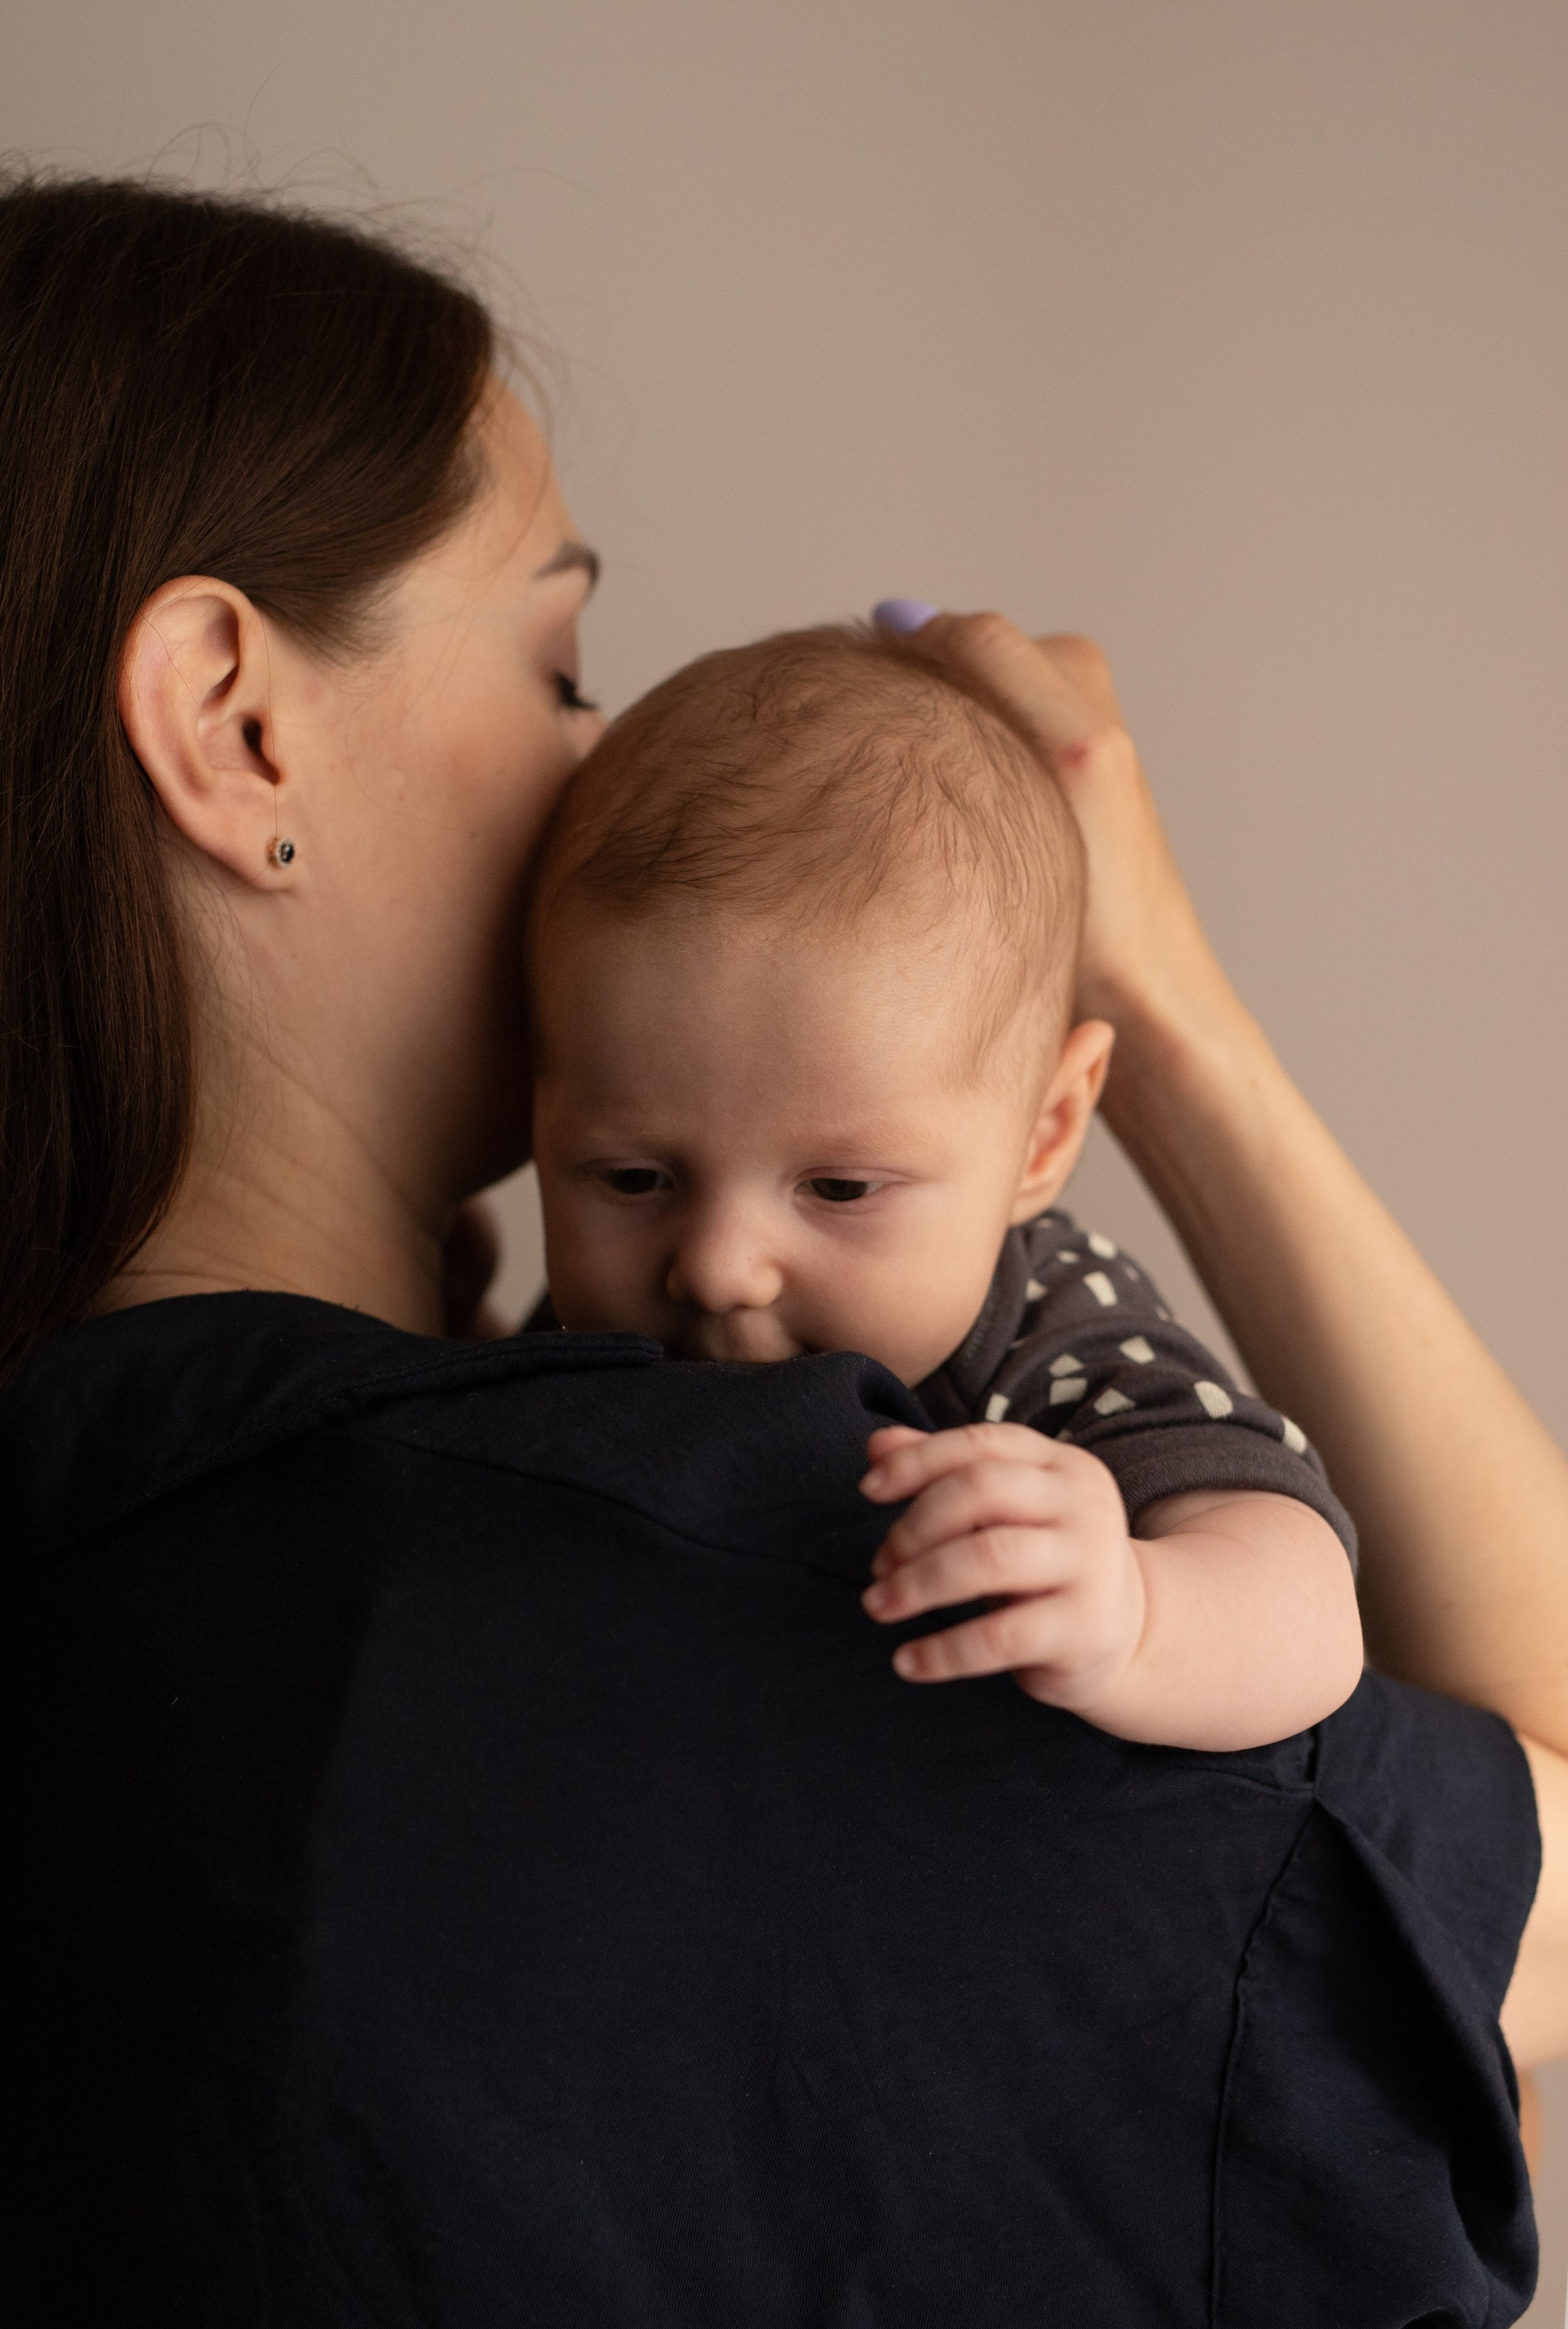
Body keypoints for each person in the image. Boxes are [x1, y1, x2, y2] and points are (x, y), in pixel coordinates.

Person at [0, 173, 1568, 2329]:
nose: (610, 764)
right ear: (236, 724)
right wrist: (1150, 998)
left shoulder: (6, 1563)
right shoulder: (706, 1582)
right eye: (562, 664)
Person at [526, 618, 1364, 1753]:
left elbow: (1310, 1610)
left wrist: (1136, 1609)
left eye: (838, 1189)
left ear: (1043, 1134)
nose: (718, 1266)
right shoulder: (585, 1347)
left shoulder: (1054, 1342)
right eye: (632, 1177)